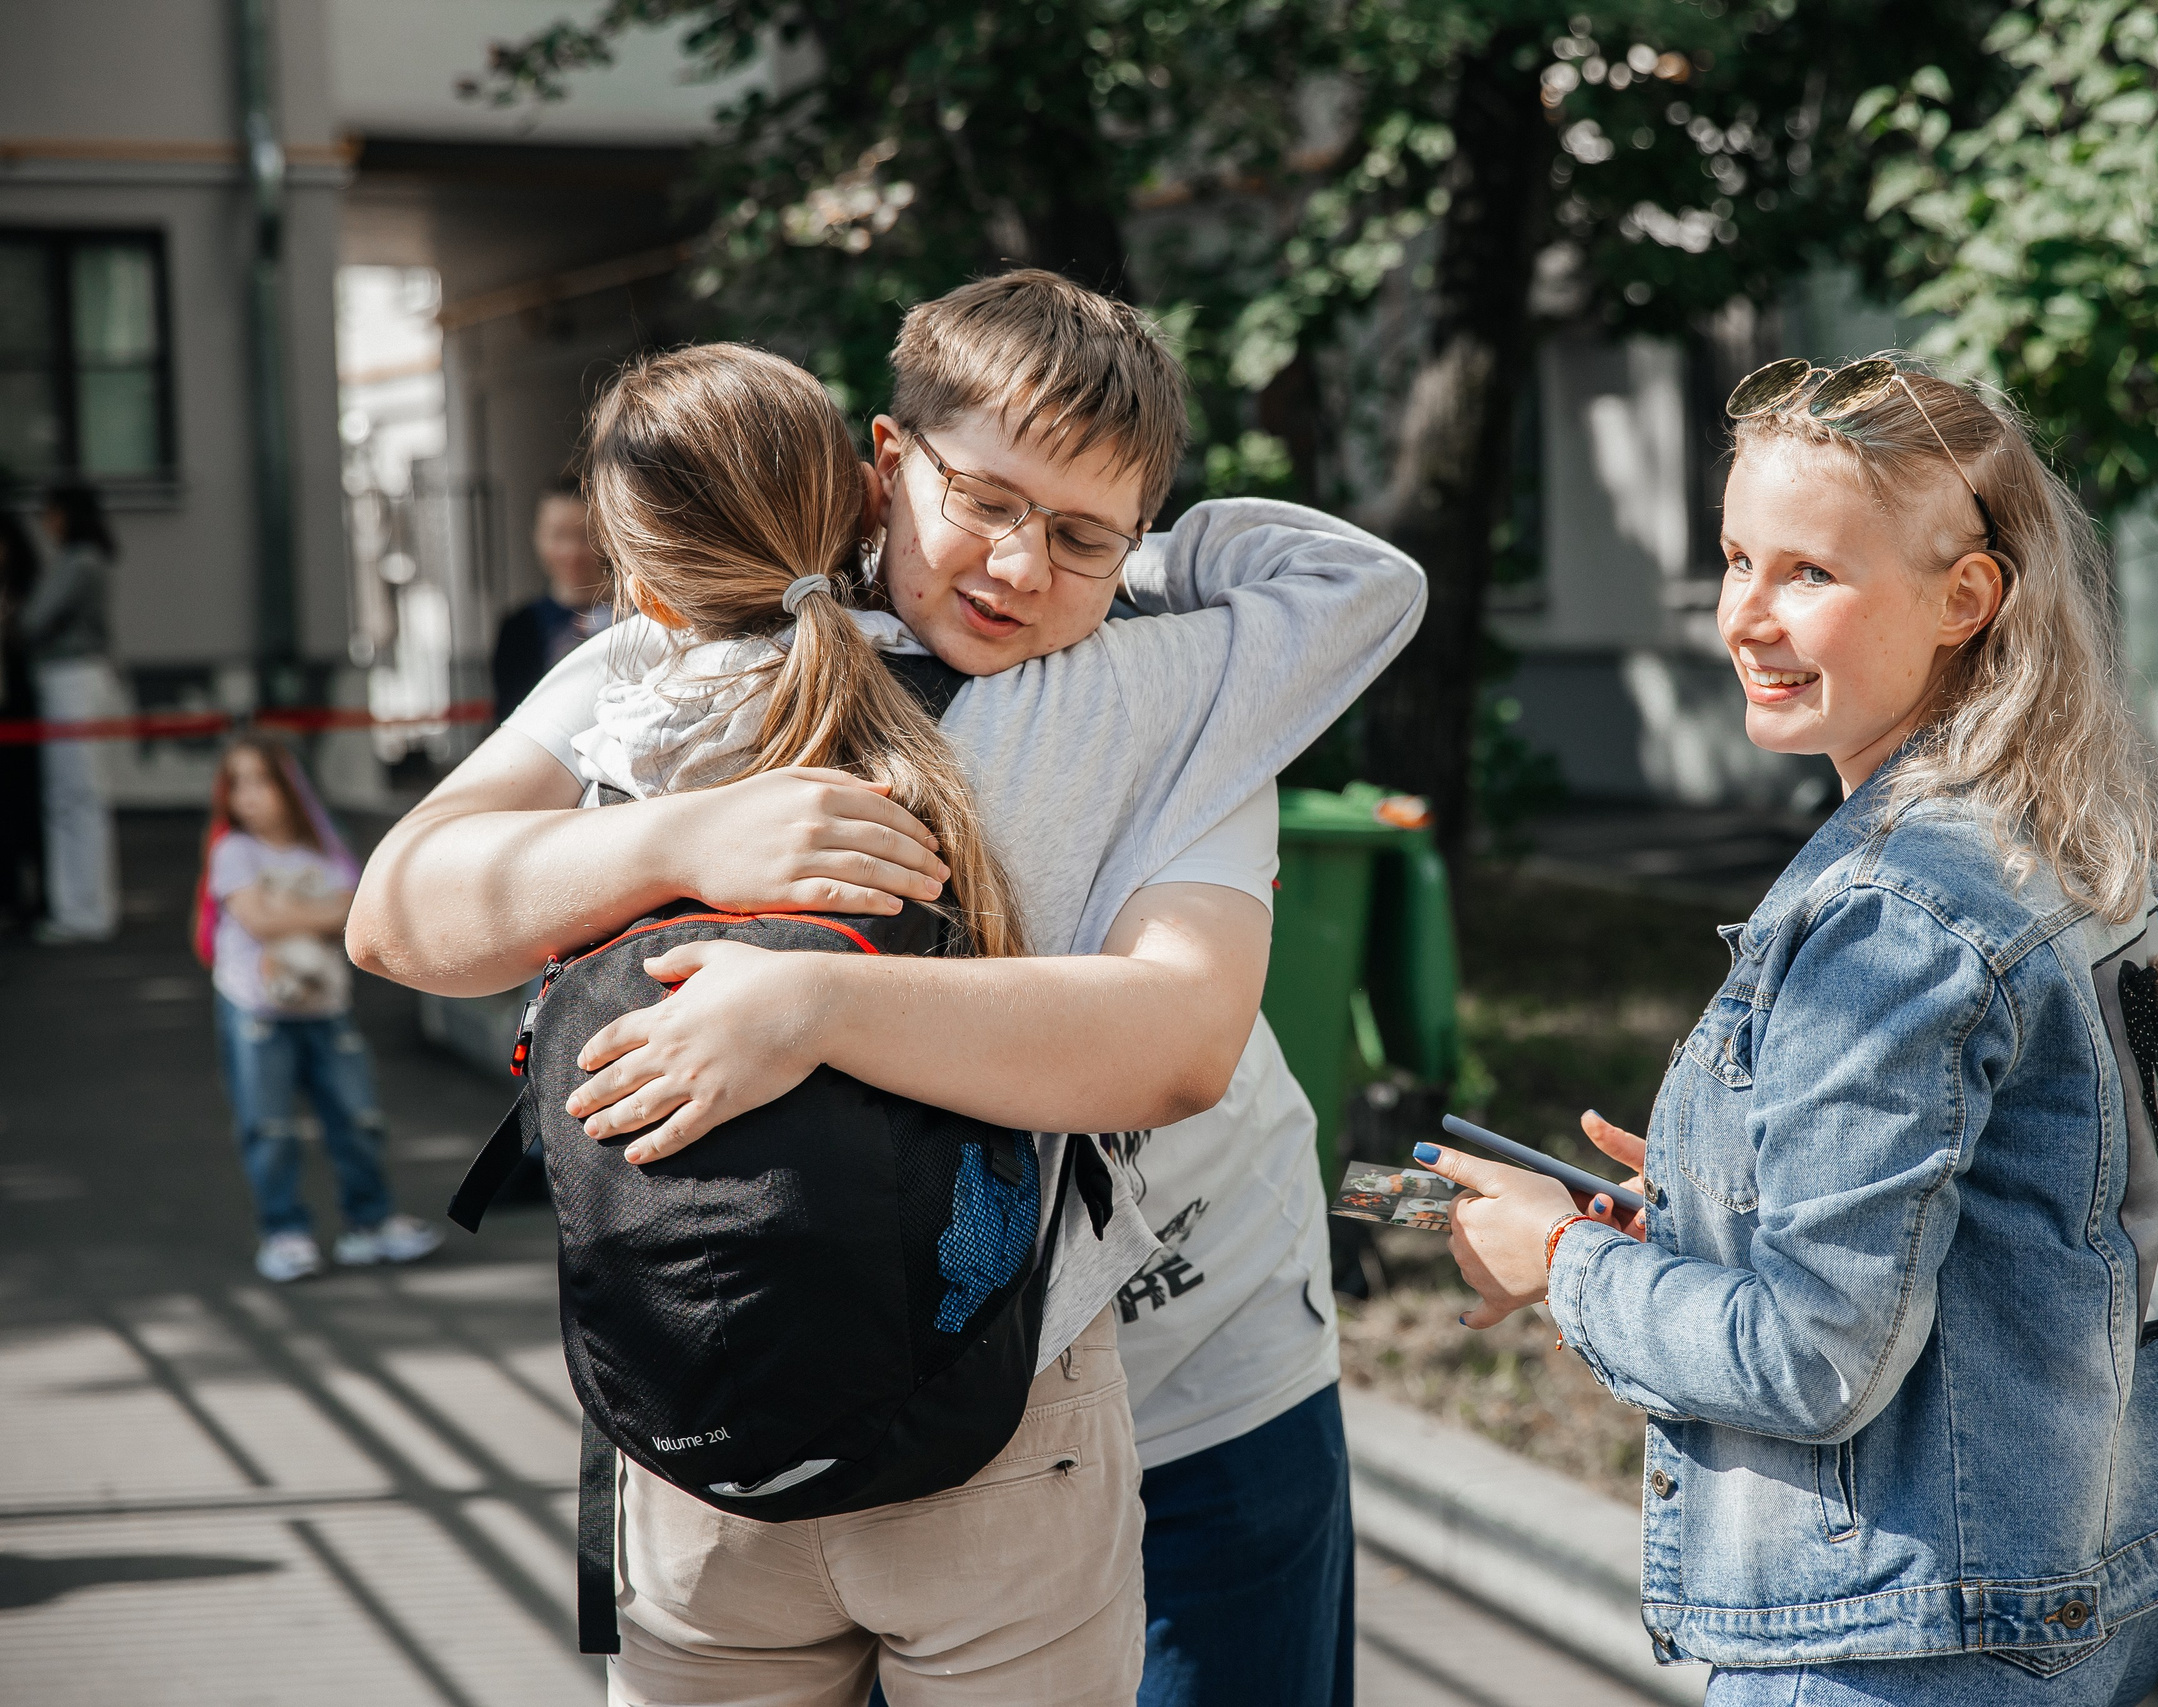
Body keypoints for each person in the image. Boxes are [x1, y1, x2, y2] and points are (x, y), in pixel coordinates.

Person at [347, 271, 1425, 1704]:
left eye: (1081, 533)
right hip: (800, 1371)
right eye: (981, 500)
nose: (1021, 567)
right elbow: (404, 911)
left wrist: (804, 1008)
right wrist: (676, 834)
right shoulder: (685, 648)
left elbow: (1177, 1036)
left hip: (1189, 1355)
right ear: (882, 460)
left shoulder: (1171, 691)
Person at [1416, 357, 2158, 1706]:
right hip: (2100, 1592)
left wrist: (1558, 1261)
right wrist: (1714, 1206)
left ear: (1968, 597)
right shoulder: (2088, 849)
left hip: (1904, 1641)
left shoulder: (1894, 912)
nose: (1747, 617)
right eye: (1733, 558)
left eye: (1809, 575)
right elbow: (2092, 1238)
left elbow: (1810, 1356)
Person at [200, 737, 446, 1283]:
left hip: (326, 1006)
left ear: (290, 785)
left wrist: (285, 908)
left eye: (261, 780)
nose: (250, 797)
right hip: (255, 1008)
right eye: (236, 784)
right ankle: (284, 1231)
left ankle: (371, 1223)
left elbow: (355, 913)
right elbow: (263, 920)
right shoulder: (232, 851)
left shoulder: (324, 847)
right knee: (268, 1126)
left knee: (357, 1117)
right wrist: (314, 911)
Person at [24, 482, 121, 942]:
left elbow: (34, 621)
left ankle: (82, 912)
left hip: (71, 681)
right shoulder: (88, 559)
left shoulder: (77, 561)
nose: (44, 521)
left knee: (73, 799)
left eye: (49, 510)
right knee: (80, 798)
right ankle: (87, 908)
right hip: (81, 679)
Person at [490, 477, 611, 722]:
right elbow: (510, 717)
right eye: (558, 536)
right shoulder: (520, 628)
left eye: (585, 536)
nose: (571, 552)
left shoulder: (643, 615)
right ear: (537, 538)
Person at [0, 509, 46, 929]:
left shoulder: (27, 591)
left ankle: (33, 897)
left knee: (25, 806)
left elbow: (29, 633)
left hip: (19, 709)